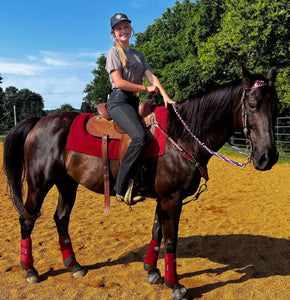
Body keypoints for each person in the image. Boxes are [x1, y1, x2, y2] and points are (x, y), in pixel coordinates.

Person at [106, 13, 175, 202]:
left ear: (131, 29)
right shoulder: (113, 53)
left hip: (133, 102)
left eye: (126, 27)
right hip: (119, 102)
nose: (123, 31)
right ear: (113, 33)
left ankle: (144, 181)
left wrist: (166, 97)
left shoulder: (138, 55)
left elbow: (152, 77)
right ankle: (120, 188)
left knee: (153, 134)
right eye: (119, 28)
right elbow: (119, 82)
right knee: (139, 136)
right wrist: (145, 88)